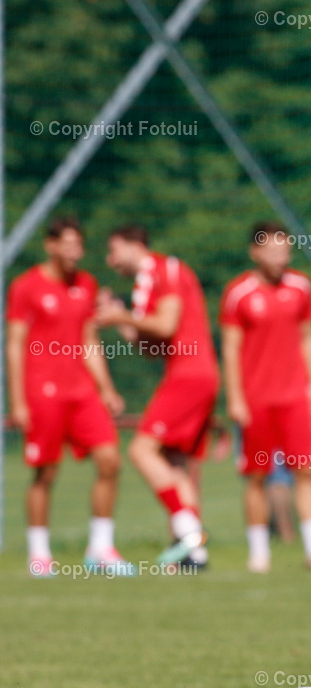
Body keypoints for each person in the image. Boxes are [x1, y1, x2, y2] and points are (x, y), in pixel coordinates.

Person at [5, 216, 134, 577]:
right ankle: (39, 554)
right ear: (50, 245)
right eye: (67, 243)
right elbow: (15, 345)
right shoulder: (26, 286)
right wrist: (17, 400)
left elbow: (88, 340)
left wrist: (106, 387)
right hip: (42, 391)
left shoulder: (86, 285)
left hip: (81, 391)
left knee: (110, 459)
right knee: (46, 472)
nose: (73, 250)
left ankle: (101, 548)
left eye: (78, 244)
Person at [95, 226, 218, 568]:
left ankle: (191, 532)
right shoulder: (144, 286)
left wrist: (120, 316)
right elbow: (152, 347)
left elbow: (165, 325)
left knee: (140, 449)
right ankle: (195, 554)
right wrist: (121, 319)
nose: (110, 260)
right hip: (191, 373)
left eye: (114, 250)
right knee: (174, 463)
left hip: (190, 374)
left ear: (135, 246)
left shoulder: (165, 269)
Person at [220, 223, 311, 573]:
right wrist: (236, 397)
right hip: (256, 399)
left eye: (285, 250)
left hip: (295, 398)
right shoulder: (238, 293)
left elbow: (308, 338)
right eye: (272, 250)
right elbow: (230, 348)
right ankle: (259, 553)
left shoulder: (300, 287)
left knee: (306, 471)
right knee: (256, 475)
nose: (280, 256)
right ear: (255, 252)